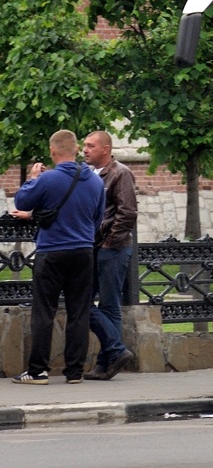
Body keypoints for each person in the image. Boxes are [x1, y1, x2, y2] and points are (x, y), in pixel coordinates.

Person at [10, 130, 105, 385]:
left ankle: (38, 371)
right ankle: (75, 372)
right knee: (79, 312)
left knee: (44, 311)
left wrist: (32, 178)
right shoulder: (95, 181)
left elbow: (22, 201)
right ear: (76, 150)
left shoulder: (47, 179)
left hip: (51, 251)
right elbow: (98, 218)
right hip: (83, 252)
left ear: (53, 151)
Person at [82, 130, 138, 380]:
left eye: (90, 146)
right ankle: (115, 353)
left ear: (105, 149)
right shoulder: (89, 174)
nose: (85, 150)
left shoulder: (120, 173)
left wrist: (109, 243)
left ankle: (107, 362)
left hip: (112, 248)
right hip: (93, 246)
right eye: (84, 145)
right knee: (82, 302)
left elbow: (128, 213)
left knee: (109, 304)